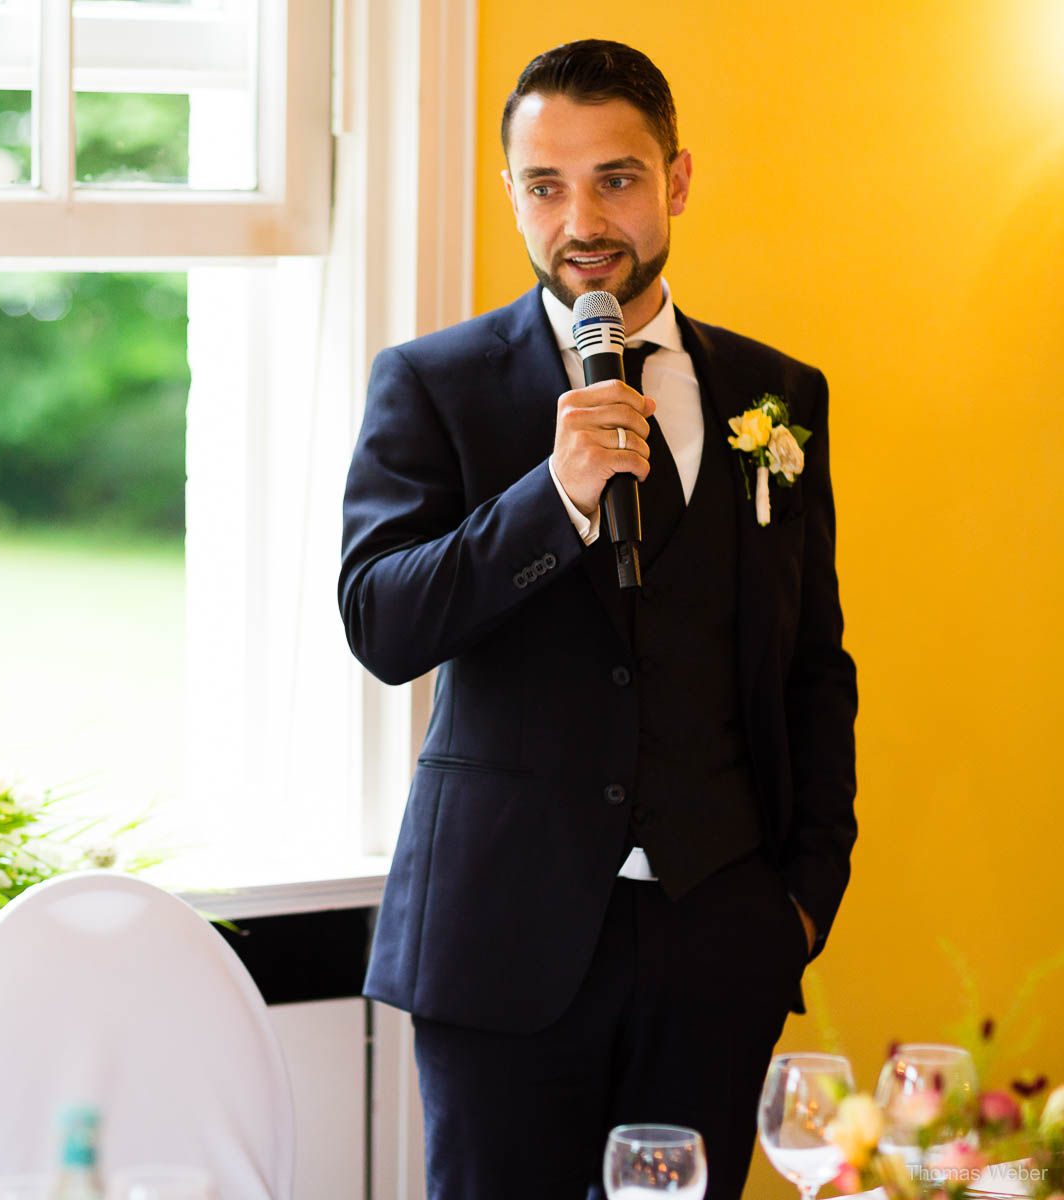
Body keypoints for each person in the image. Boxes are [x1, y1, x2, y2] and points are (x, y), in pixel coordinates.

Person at [338, 39, 857, 1200]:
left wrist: (803, 901)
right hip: (500, 943)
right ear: (513, 194)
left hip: (721, 939)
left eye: (616, 178)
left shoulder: (781, 398)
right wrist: (554, 501)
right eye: (545, 185)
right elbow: (381, 620)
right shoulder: (434, 383)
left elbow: (814, 664)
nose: (583, 219)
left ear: (675, 179)